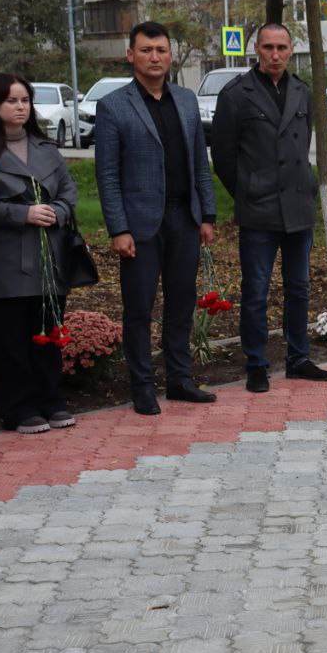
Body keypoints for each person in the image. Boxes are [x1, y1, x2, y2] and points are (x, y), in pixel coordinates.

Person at [94, 21, 218, 416]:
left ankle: (180, 380)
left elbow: (200, 162)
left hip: (185, 219)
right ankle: (143, 386)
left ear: (171, 55)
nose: (154, 57)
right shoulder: (113, 105)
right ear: (131, 55)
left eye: (161, 50)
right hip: (140, 226)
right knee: (139, 309)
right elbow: (107, 175)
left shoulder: (185, 100)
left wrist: (208, 214)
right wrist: (119, 228)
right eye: (146, 50)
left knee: (182, 304)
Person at [211, 23, 327, 393]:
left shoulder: (301, 90)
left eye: (282, 47)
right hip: (259, 209)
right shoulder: (236, 94)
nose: (275, 54)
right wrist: (247, 191)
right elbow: (222, 156)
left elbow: (302, 146)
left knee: (299, 287)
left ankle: (298, 358)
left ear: (291, 48)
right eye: (268, 47)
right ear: (256, 49)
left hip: (298, 204)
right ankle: (257, 363)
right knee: (256, 290)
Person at [0, 73, 78, 434]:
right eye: (11, 101)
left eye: (25, 100)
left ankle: (50, 399)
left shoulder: (46, 149)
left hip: (48, 257)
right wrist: (20, 214)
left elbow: (70, 194)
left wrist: (59, 211)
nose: (20, 107)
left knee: (48, 333)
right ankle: (17, 408)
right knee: (9, 338)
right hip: (4, 260)